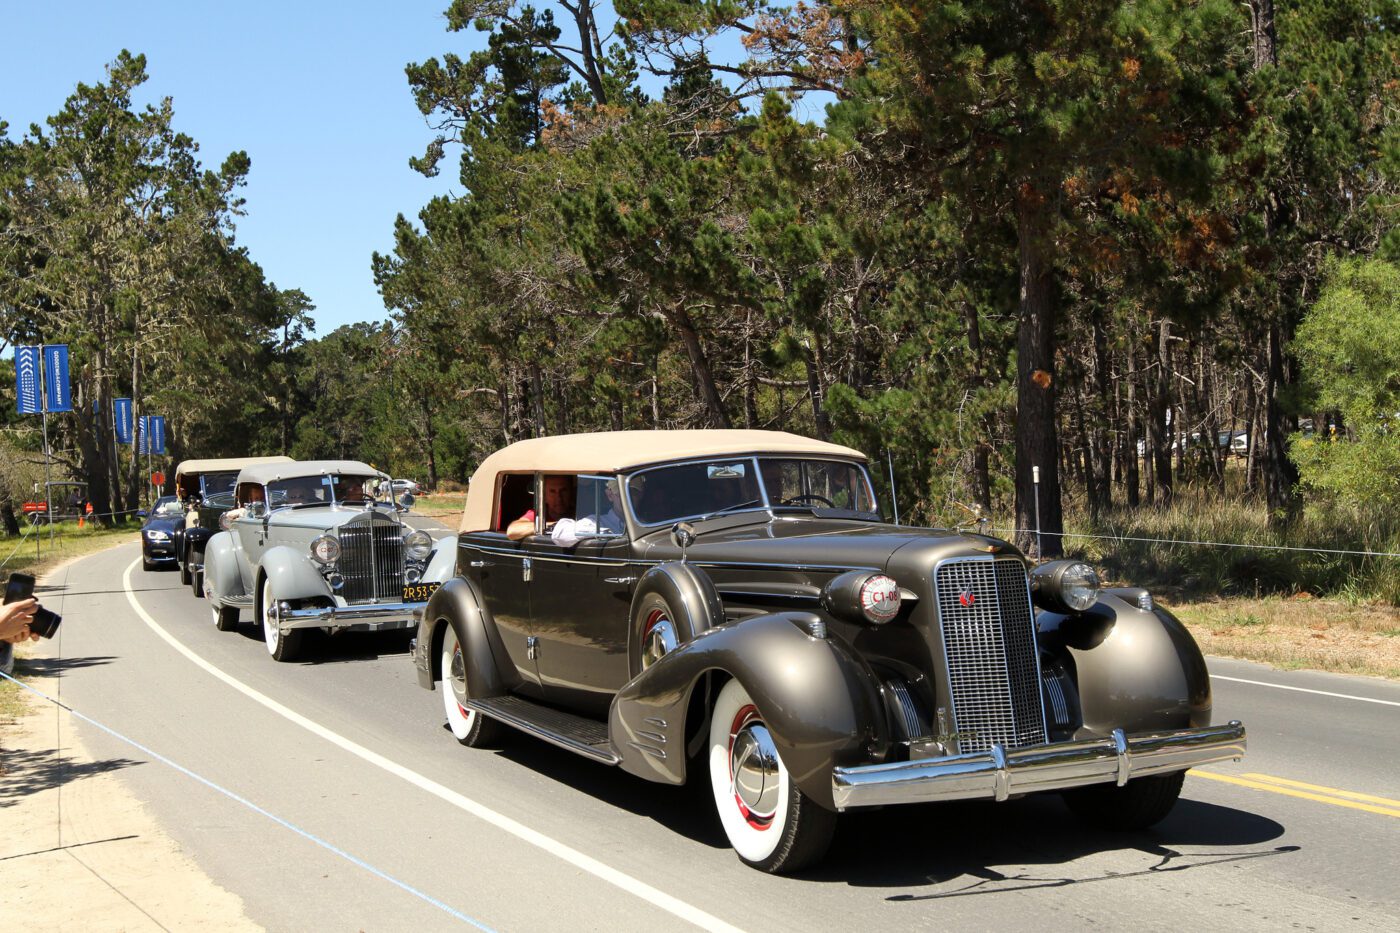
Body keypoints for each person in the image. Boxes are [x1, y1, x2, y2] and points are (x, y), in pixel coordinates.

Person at [551, 478, 625, 547]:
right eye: (622, 494)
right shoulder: (598, 522)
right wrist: (602, 532)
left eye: (633, 493)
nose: (628, 499)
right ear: (610, 495)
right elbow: (560, 534)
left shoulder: (636, 523)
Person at [506, 475, 575, 541]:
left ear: (571, 492)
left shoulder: (581, 513)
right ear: (544, 496)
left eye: (563, 490)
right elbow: (512, 530)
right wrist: (555, 526)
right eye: (552, 491)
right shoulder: (539, 513)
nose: (559, 498)